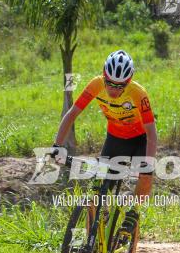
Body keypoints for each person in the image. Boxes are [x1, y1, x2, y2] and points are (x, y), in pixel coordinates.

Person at [50, 50, 157, 239]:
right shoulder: (95, 84)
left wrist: (147, 164)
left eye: (120, 86)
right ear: (103, 76)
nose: (114, 90)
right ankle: (87, 246)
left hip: (140, 139)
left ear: (129, 82)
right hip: (115, 138)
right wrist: (57, 145)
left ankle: (134, 211)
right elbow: (73, 113)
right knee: (98, 192)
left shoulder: (138, 94)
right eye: (110, 83)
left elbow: (151, 133)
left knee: (146, 174)